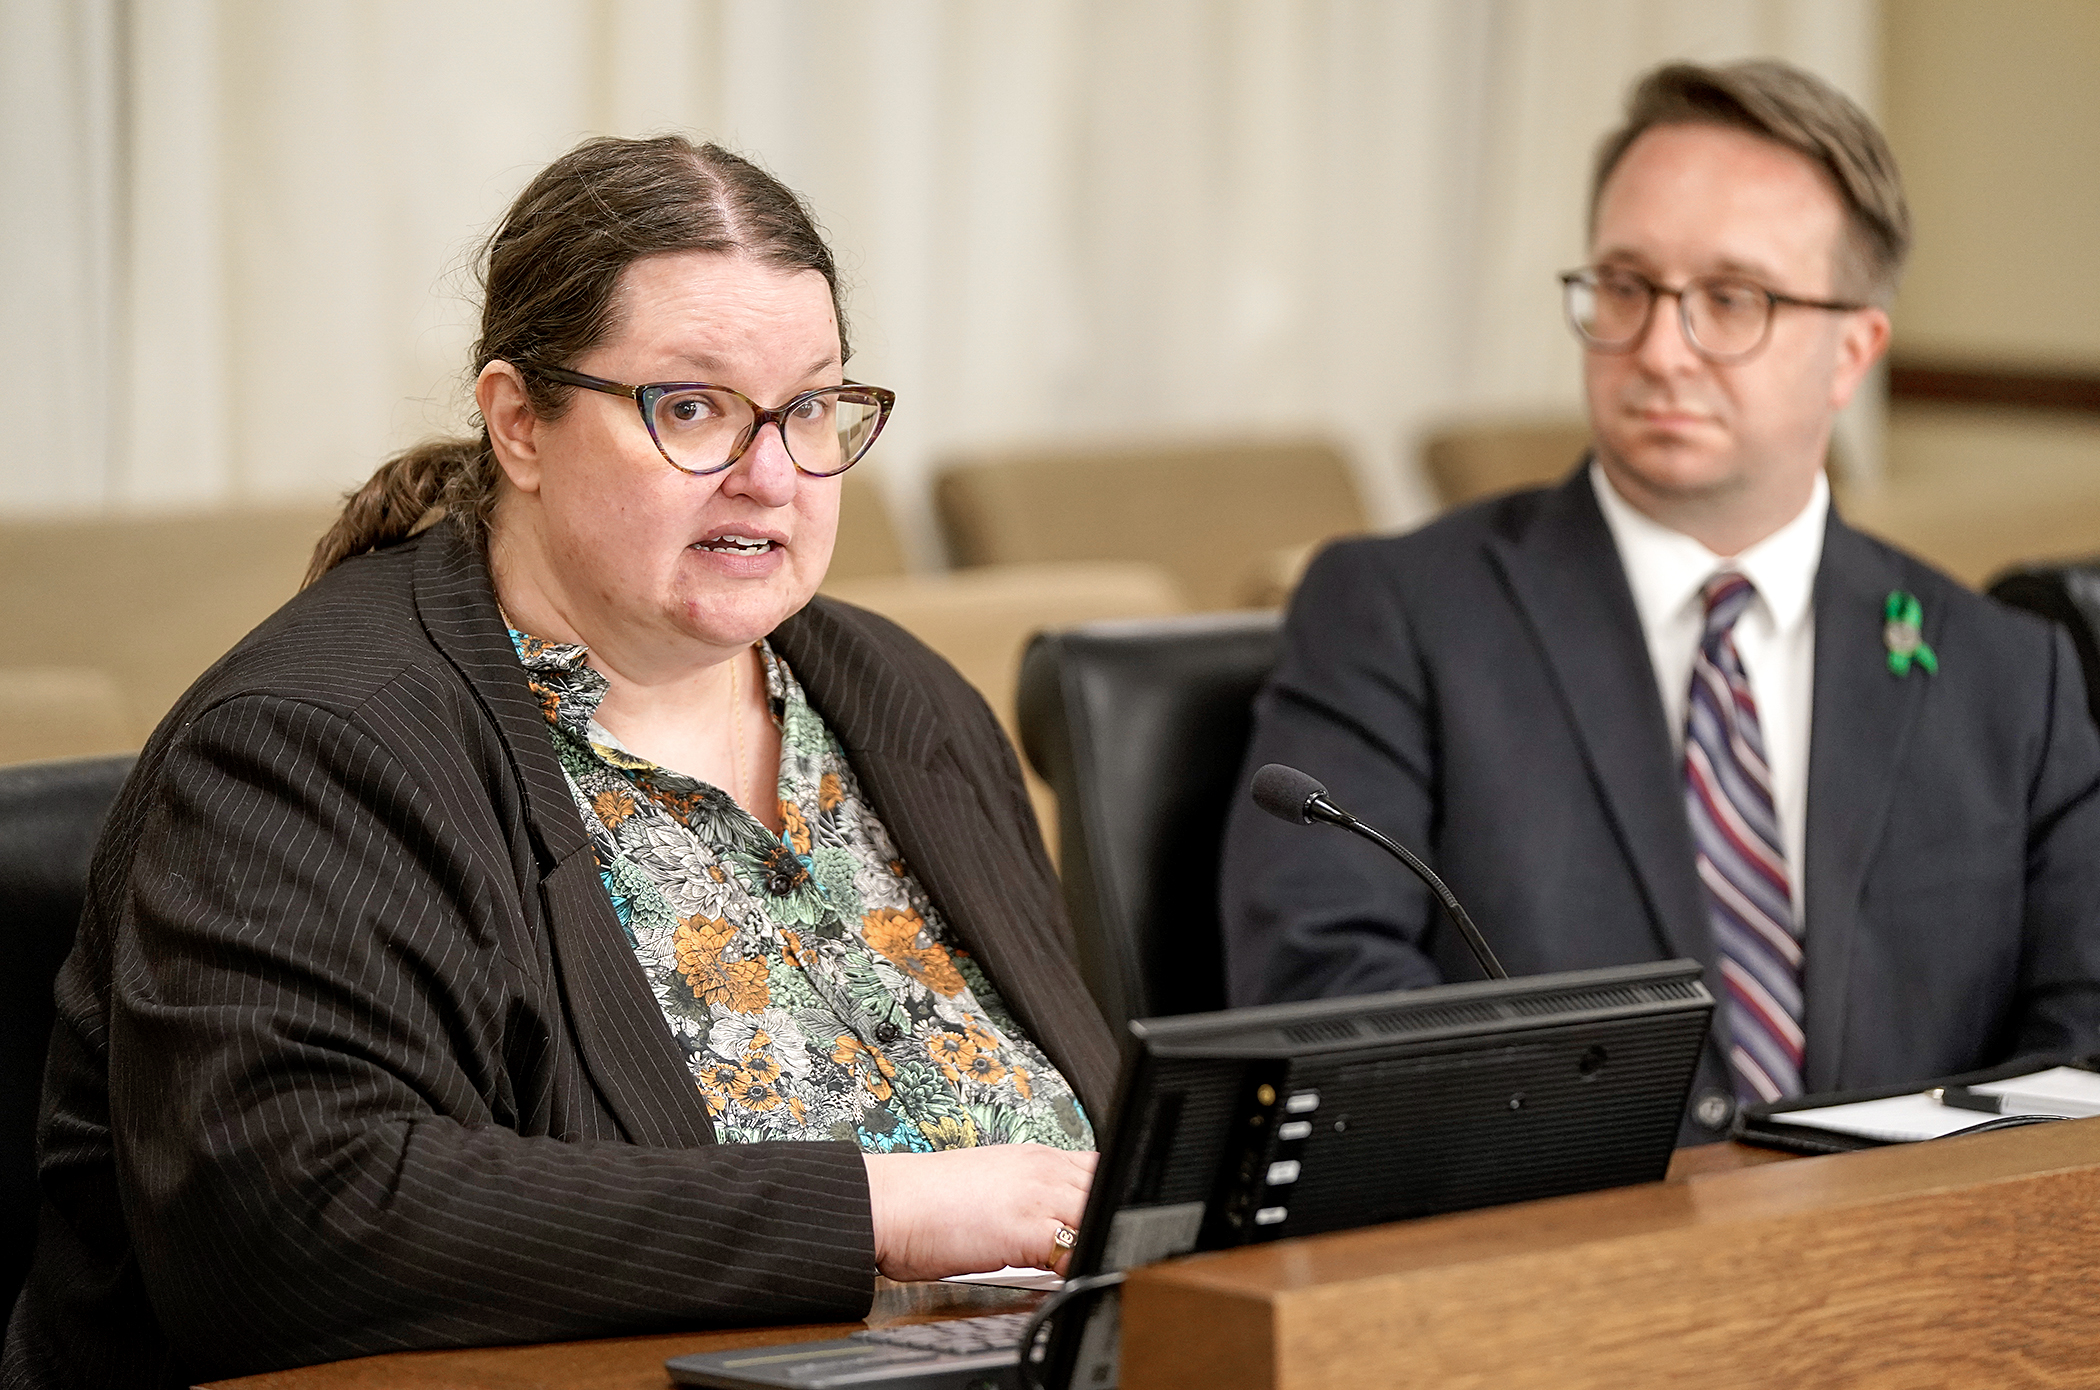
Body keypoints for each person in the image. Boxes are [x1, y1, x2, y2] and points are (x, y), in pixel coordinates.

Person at [4, 136, 1114, 1388]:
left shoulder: (903, 700)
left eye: (810, 408)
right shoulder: (314, 740)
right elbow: (297, 1219)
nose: (773, 477)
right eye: (693, 407)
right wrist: (885, 1212)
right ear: (518, 422)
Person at [1221, 60, 2100, 1142]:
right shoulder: (1395, 615)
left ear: (1854, 350)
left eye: (1733, 299)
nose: (1660, 349)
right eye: (1626, 286)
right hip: (1557, 1269)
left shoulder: (2009, 673)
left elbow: (2082, 1046)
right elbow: (1327, 1005)